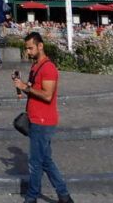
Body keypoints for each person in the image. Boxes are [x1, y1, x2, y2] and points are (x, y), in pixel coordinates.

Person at [12, 32, 73, 203]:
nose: (29, 52)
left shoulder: (48, 68)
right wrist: (21, 85)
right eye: (27, 49)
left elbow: (47, 95)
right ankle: (64, 196)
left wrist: (26, 87)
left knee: (35, 163)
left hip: (43, 120)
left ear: (40, 46)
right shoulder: (35, 67)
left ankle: (31, 198)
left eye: (31, 48)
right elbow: (33, 91)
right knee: (46, 160)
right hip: (35, 118)